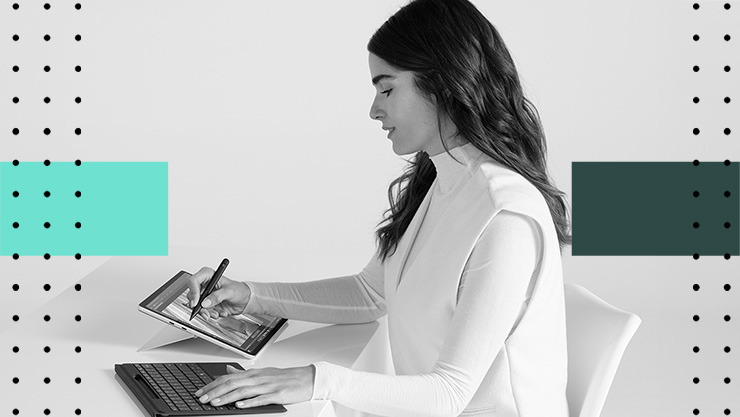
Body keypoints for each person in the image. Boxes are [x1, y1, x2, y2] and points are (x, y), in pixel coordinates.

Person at [186, 0, 572, 415]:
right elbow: (371, 293)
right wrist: (249, 296)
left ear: (444, 84)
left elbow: (449, 394)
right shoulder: (442, 182)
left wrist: (316, 381)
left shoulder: (505, 217)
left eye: (387, 88)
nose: (374, 109)